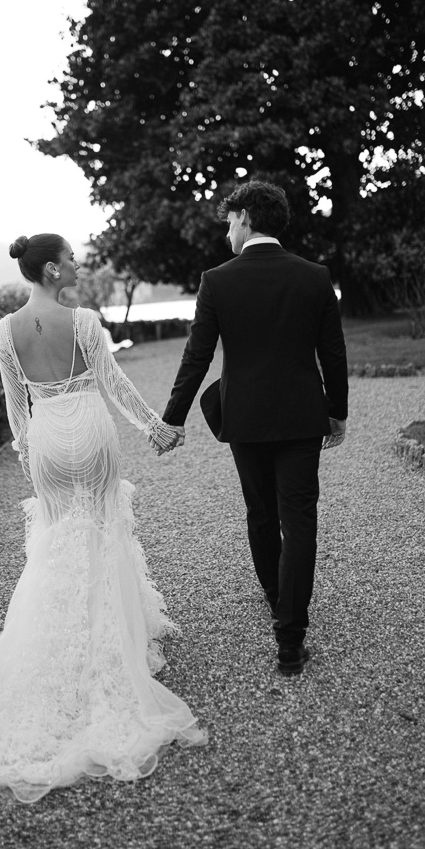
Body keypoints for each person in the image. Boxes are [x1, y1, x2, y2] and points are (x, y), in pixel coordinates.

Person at [0, 233, 205, 806]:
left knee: (57, 541)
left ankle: (57, 643)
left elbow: (15, 404)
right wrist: (155, 427)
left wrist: (28, 456)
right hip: (90, 434)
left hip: (46, 440)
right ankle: (115, 643)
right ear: (50, 269)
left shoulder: (5, 330)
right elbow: (113, 384)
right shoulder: (85, 322)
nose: (76, 264)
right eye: (69, 258)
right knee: (104, 532)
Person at [162, 181, 348, 675]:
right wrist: (337, 410)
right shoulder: (314, 276)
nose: (227, 232)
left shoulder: (217, 280)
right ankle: (291, 637)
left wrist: (173, 418)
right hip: (302, 417)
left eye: (229, 222)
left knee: (261, 512)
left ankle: (276, 596)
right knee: (300, 518)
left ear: (245, 217)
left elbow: (197, 356)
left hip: (244, 419)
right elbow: (333, 353)